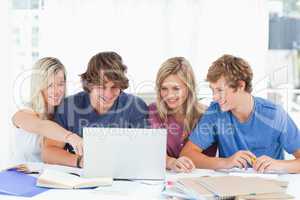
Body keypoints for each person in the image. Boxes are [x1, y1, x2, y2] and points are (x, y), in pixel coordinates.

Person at [181, 54, 300, 173]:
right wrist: (226, 162)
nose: (215, 97)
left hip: (269, 186)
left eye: (220, 90)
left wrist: (277, 165)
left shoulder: (274, 114)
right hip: (231, 187)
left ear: (240, 86)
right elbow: (187, 154)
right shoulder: (215, 112)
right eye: (213, 90)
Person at [42, 51, 148, 168]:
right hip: (79, 177)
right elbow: (49, 152)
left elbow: (145, 151)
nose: (108, 94)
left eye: (114, 87)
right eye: (102, 87)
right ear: (90, 84)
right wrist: (81, 162)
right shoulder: (69, 107)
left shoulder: (134, 106)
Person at [149, 57, 217, 173]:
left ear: (188, 88)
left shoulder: (207, 115)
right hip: (165, 178)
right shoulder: (153, 112)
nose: (169, 95)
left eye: (176, 88)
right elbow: (149, 151)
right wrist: (171, 162)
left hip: (200, 179)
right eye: (164, 88)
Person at [12, 57, 83, 163]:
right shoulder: (23, 113)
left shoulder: (65, 115)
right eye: (49, 85)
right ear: (38, 86)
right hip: (20, 174)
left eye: (60, 84)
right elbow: (41, 126)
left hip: (49, 176)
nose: (56, 91)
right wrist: (70, 137)